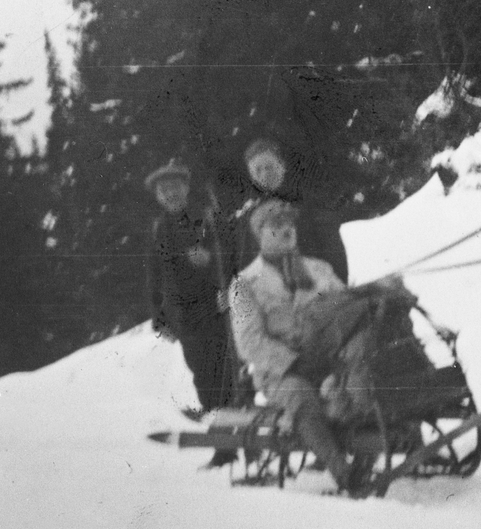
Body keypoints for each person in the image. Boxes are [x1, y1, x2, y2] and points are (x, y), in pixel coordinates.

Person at [228, 198, 374, 492]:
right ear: (259, 234)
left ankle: (371, 447)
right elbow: (249, 343)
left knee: (361, 384)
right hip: (281, 372)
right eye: (276, 225)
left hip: (327, 359)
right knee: (301, 396)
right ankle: (343, 471)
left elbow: (347, 310)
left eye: (290, 224)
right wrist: (291, 362)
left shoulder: (320, 269)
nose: (286, 230)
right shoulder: (243, 286)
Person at [145, 158, 238, 469]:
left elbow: (231, 259)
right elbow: (155, 277)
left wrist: (210, 261)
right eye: (164, 190)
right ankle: (224, 444)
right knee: (204, 380)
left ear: (185, 188)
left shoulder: (207, 217)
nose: (170, 194)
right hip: (184, 319)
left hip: (213, 312)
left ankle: (231, 445)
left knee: (224, 378)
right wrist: (160, 319)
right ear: (158, 196)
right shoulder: (159, 228)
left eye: (175, 187)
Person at [242, 137, 350, 283]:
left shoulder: (307, 200)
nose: (264, 174)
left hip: (321, 281)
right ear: (252, 176)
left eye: (269, 167)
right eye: (258, 170)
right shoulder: (255, 215)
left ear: (282, 166)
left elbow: (332, 245)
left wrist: (339, 281)